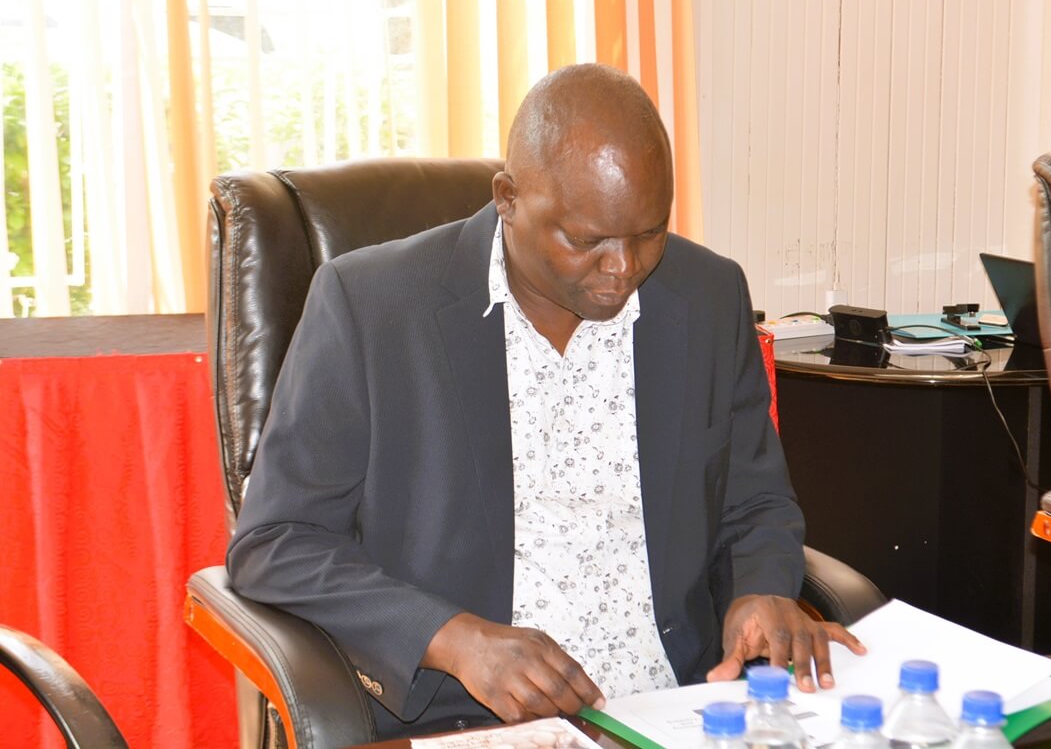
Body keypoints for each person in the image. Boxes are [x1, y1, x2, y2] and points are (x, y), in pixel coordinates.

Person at [226, 63, 864, 738]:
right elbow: (276, 540)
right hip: (471, 721)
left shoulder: (708, 295)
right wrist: (452, 638)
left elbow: (754, 500)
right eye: (586, 240)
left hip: (681, 707)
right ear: (507, 198)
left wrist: (757, 590)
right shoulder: (372, 307)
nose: (623, 268)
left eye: (649, 232)